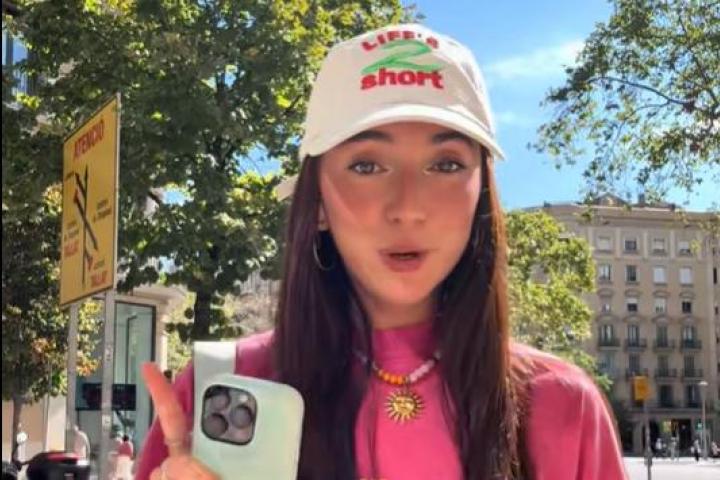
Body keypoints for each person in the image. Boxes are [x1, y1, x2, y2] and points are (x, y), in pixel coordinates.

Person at [135, 23, 628, 480]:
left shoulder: (563, 405)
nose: (408, 208)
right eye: (367, 166)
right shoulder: (224, 390)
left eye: (446, 165)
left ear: (481, 195)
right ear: (317, 202)